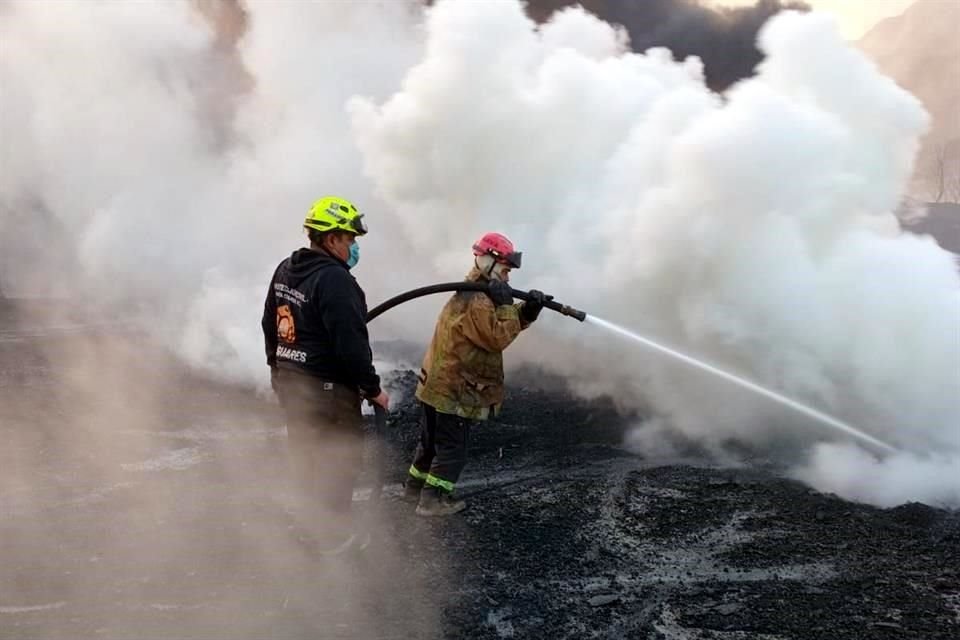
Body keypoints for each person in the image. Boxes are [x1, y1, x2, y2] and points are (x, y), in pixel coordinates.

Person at [262, 195, 389, 553]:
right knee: (338, 462)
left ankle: (308, 528)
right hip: (329, 393)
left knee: (306, 458)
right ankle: (332, 538)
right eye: (350, 239)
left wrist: (277, 370)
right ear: (331, 238)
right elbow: (350, 345)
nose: (353, 247)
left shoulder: (287, 268)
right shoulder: (335, 280)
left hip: (294, 387)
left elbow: (269, 324)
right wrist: (372, 388)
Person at [404, 232, 549, 516]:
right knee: (452, 450)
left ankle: (413, 491)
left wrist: (527, 311)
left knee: (431, 442)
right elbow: (497, 337)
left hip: (438, 385)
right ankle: (432, 501)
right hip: (455, 391)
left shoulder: (474, 291)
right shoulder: (479, 300)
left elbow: (490, 328)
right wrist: (509, 307)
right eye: (505, 270)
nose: (507, 278)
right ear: (490, 262)